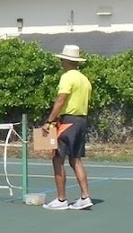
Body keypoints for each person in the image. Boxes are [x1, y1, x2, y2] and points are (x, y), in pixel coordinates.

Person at [40, 44, 93, 210]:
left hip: (68, 120)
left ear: (68, 61)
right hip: (81, 120)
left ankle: (61, 199)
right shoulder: (84, 80)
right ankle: (85, 197)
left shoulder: (67, 77)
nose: (61, 62)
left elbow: (61, 99)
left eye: (63, 59)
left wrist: (49, 121)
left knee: (57, 158)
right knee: (75, 159)